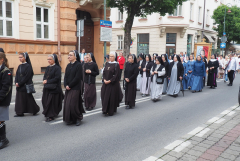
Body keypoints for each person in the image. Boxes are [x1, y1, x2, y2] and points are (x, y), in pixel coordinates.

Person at [63, 50, 85, 126]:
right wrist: (65, 85)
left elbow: (77, 77)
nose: (68, 56)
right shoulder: (68, 65)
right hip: (68, 87)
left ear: (75, 56)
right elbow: (65, 77)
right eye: (68, 55)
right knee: (67, 104)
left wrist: (70, 85)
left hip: (75, 87)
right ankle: (71, 119)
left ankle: (78, 118)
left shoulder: (78, 65)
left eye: (70, 55)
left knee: (72, 104)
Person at [14, 52, 40, 117]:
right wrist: (16, 82)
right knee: (19, 99)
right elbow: (17, 75)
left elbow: (27, 77)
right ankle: (19, 112)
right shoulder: (19, 66)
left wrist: (20, 83)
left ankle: (35, 109)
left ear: (25, 58)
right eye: (19, 57)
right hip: (19, 86)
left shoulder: (28, 66)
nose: (20, 59)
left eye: (21, 57)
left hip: (25, 86)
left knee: (29, 99)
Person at [42, 54, 64, 122]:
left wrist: (47, 81)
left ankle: (50, 116)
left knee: (51, 102)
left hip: (54, 88)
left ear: (54, 60)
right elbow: (45, 76)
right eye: (48, 59)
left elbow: (57, 78)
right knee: (44, 100)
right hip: (47, 87)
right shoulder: (48, 67)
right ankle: (48, 113)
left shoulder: (57, 68)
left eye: (50, 59)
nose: (48, 61)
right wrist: (44, 80)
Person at [101, 52, 121, 116]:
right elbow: (104, 72)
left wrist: (110, 81)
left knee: (110, 97)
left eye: (112, 56)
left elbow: (116, 75)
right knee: (104, 96)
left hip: (112, 84)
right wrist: (104, 79)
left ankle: (110, 111)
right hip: (105, 83)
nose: (110, 57)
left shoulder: (116, 64)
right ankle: (105, 110)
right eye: (109, 56)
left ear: (114, 57)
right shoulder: (107, 63)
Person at [0, 52, 12, 149]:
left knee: (0, 119)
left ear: (2, 59)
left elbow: (6, 87)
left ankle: (3, 140)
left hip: (2, 100)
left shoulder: (6, 71)